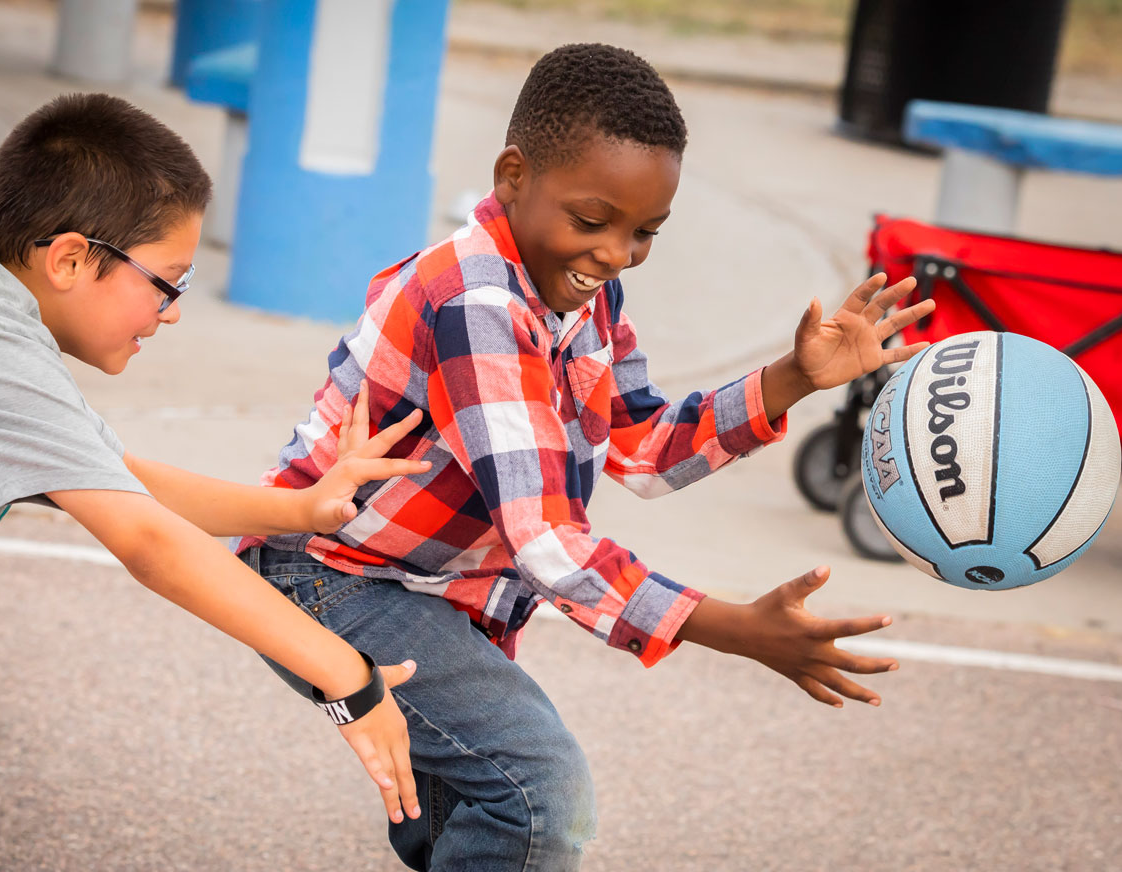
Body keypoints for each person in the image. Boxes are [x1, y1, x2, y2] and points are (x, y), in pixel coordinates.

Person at [236, 43, 936, 871]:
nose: (615, 254)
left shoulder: (581, 293)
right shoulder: (476, 306)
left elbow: (641, 448)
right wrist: (736, 629)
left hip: (434, 590)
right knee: (537, 794)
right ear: (512, 175)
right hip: (330, 578)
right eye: (593, 221)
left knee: (474, 821)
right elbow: (548, 543)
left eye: (646, 232)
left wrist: (791, 379)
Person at [0, 93, 428, 872]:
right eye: (166, 282)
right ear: (71, 258)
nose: (172, 312)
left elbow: (114, 479)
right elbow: (146, 540)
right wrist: (347, 680)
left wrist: (300, 508)